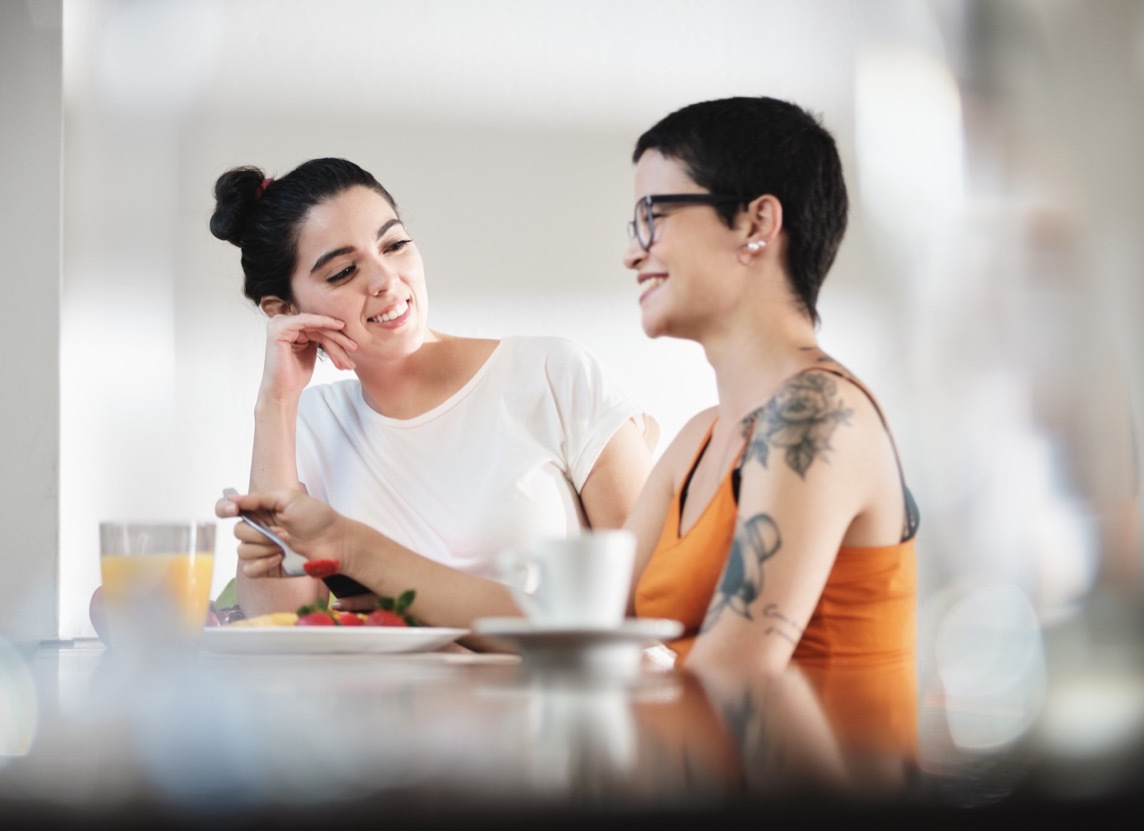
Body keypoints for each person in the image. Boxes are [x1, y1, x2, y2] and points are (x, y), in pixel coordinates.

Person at [208, 156, 657, 632]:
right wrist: (275, 404)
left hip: (559, 698)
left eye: (395, 244)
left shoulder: (552, 374)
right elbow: (283, 624)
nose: (386, 280)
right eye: (343, 272)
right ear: (285, 309)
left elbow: (649, 595)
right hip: (392, 706)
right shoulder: (312, 425)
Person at [618, 97, 918, 758]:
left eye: (653, 217)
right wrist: (355, 547)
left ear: (757, 221)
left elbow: (729, 675)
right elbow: (580, 623)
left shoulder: (816, 411)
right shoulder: (697, 438)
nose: (630, 254)